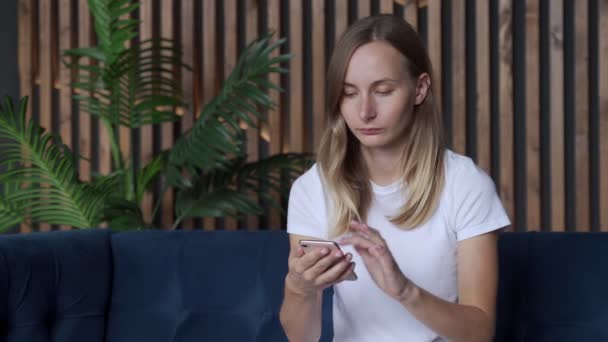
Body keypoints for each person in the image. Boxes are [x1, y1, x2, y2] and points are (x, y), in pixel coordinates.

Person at [279, 14, 510, 342]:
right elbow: (302, 337)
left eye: (383, 91)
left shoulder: (465, 185)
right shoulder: (313, 189)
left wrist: (404, 290)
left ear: (420, 89)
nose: (365, 112)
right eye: (349, 93)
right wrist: (298, 288)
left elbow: (480, 333)